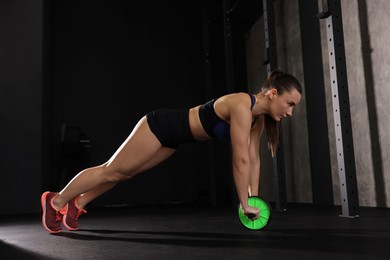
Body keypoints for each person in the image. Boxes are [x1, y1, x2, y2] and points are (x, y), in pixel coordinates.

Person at [41, 69, 302, 233]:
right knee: (111, 169)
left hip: (174, 139)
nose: (290, 112)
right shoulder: (242, 105)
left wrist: (253, 199)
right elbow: (240, 160)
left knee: (123, 174)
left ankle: (79, 202)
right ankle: (56, 200)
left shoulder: (256, 121)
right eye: (289, 104)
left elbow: (254, 161)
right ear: (273, 93)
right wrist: (243, 203)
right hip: (161, 125)